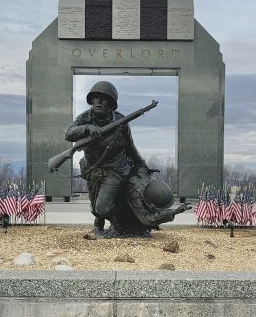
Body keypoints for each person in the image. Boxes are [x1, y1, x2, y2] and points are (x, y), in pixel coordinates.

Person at [65, 81, 146, 235]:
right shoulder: (85, 117)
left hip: (115, 169)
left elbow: (130, 146)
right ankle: (99, 225)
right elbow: (69, 133)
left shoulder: (121, 121)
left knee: (102, 207)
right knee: (94, 206)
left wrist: (141, 164)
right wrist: (87, 128)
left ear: (111, 103)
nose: (98, 101)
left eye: (103, 98)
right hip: (92, 168)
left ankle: (120, 224)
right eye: (95, 97)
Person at [114, 165, 191, 236]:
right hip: (118, 198)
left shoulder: (150, 179)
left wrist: (146, 169)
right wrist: (174, 211)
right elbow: (146, 219)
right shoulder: (135, 196)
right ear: (151, 204)